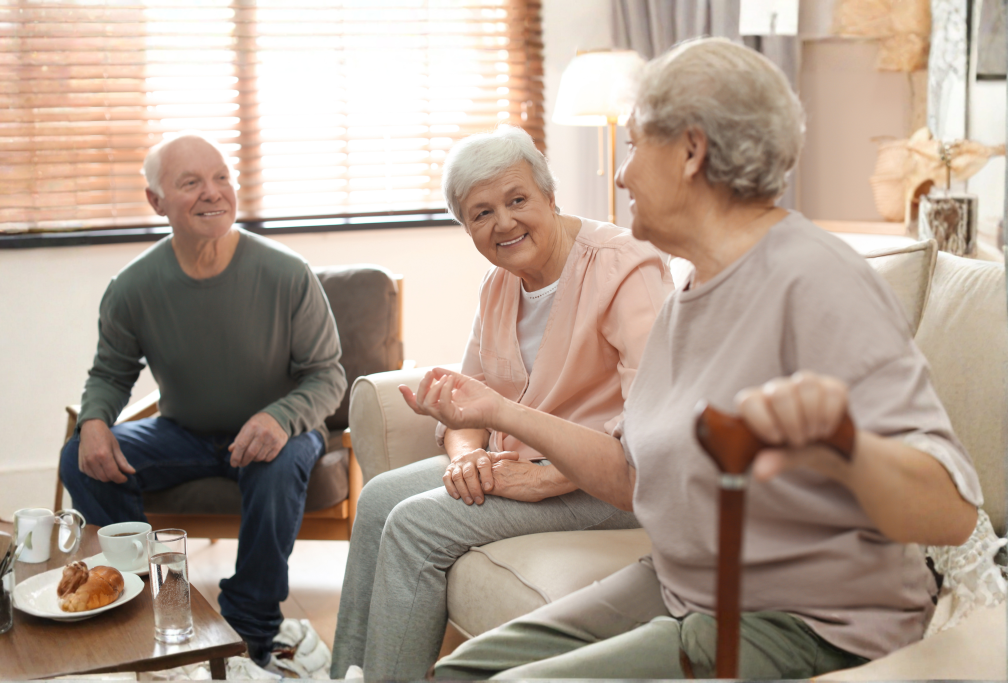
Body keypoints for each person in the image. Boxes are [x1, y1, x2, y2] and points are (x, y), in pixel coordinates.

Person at [403, 39, 982, 679]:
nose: (620, 176)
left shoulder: (813, 278)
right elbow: (632, 475)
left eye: (633, 147)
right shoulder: (690, 293)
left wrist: (835, 444)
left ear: (690, 151)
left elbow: (951, 512)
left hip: (803, 618)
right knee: (460, 673)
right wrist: (497, 412)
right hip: (687, 587)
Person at [329, 125, 672, 679]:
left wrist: (544, 477)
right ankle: (345, 673)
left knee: (417, 524)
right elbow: (467, 399)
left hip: (606, 481)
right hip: (516, 462)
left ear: (550, 196)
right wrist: (467, 456)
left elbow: (655, 424)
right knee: (376, 501)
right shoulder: (498, 284)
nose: (504, 223)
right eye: (481, 213)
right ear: (466, 227)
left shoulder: (624, 265)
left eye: (517, 200)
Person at [59, 132, 347, 668]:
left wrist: (280, 417)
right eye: (190, 182)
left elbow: (327, 375)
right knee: (80, 457)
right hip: (182, 435)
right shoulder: (132, 287)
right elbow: (110, 374)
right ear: (156, 201)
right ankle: (146, 600)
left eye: (221, 178)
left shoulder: (287, 273)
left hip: (279, 433)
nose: (213, 192)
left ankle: (250, 633)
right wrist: (94, 420)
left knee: (277, 462)